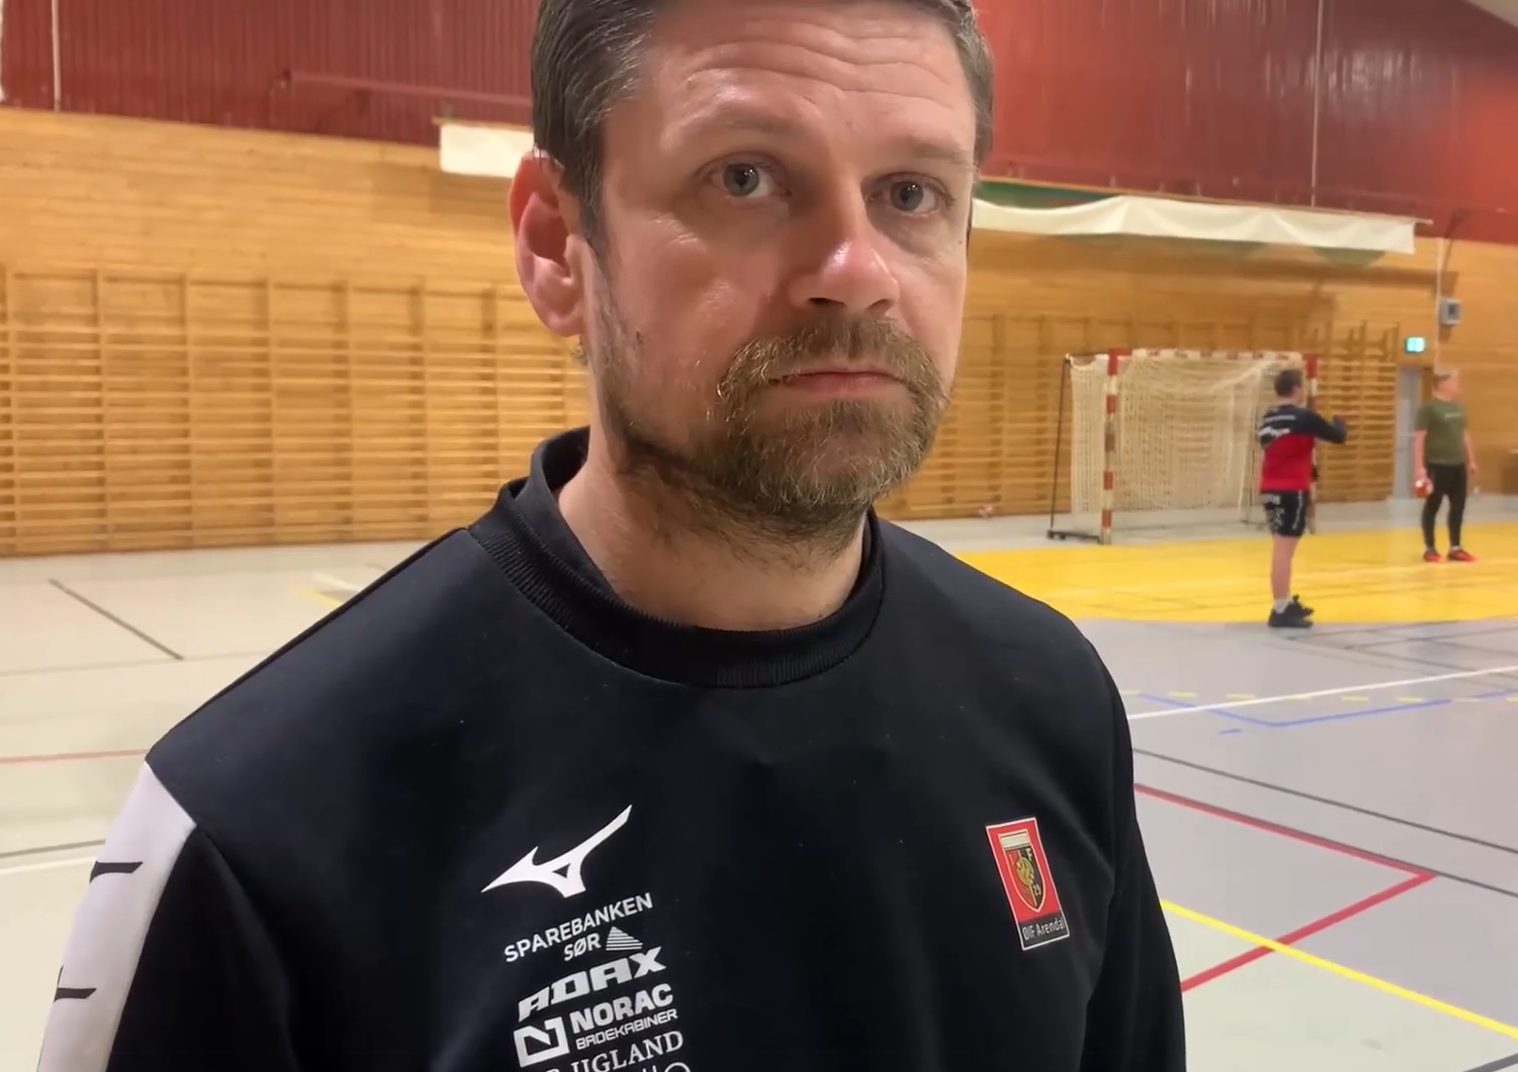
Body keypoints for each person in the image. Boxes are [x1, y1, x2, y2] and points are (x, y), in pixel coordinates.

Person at [36, 2, 1186, 1070]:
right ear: (557, 244)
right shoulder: (258, 831)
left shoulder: (1052, 698)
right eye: (746, 177)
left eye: (912, 193)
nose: (857, 272)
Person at [1257, 367, 1346, 628]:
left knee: (1280, 546)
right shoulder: (1303, 417)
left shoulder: (1268, 417)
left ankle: (1284, 601)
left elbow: (1283, 449)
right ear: (1297, 389)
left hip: (1270, 488)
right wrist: (1340, 421)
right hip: (1292, 490)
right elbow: (1337, 436)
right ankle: (1280, 608)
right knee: (1284, 551)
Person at [1413, 369, 1477, 562]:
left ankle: (1455, 547)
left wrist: (1471, 459)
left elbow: (1464, 434)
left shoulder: (1458, 407)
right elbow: (1419, 438)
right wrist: (1419, 467)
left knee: (1458, 506)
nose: (1457, 384)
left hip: (1457, 463)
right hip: (1437, 464)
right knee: (1433, 505)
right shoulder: (1429, 408)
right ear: (1442, 383)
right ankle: (1430, 548)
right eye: (1453, 380)